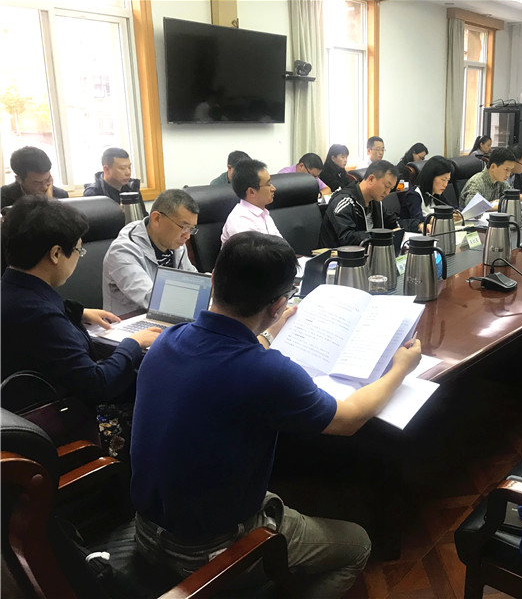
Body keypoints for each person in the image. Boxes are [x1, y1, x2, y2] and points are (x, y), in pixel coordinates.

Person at [130, 231, 422, 597]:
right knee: (357, 545)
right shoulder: (267, 371)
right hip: (207, 552)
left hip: (147, 531)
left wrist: (266, 334)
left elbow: (223, 362)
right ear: (279, 304)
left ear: (214, 279)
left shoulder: (167, 340)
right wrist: (400, 369)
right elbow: (349, 419)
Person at [1, 197, 160, 411]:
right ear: (56, 254)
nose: (79, 257)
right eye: (78, 251)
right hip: (58, 416)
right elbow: (97, 385)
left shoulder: (12, 290)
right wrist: (133, 343)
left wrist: (77, 313)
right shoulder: (40, 316)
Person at [103, 189, 199, 315]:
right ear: (156, 219)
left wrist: (214, 284)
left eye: (191, 229)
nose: (187, 236)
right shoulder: (122, 251)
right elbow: (152, 298)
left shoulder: (175, 244)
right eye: (184, 227)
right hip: (131, 321)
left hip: (168, 315)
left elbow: (193, 280)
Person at [319, 160, 400, 247]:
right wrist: (379, 236)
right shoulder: (344, 201)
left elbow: (392, 222)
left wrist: (398, 231)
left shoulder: (375, 202)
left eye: (390, 189)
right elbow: (347, 238)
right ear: (371, 179)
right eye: (387, 186)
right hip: (339, 253)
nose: (387, 192)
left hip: (369, 251)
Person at [221, 159, 283, 245]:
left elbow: (281, 245)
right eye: (268, 184)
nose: (273, 188)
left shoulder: (263, 214)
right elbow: (255, 254)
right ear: (251, 192)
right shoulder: (240, 222)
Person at [400, 155, 455, 232]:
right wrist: (438, 219)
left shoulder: (436, 194)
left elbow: (452, 208)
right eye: (443, 179)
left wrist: (457, 214)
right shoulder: (414, 195)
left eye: (448, 180)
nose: (445, 184)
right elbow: (417, 219)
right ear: (431, 177)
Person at [1, 146, 69, 208]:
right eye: (38, 183)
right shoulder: (3, 196)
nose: (45, 187)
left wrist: (50, 202)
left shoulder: (61, 195)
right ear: (19, 179)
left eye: (48, 180)